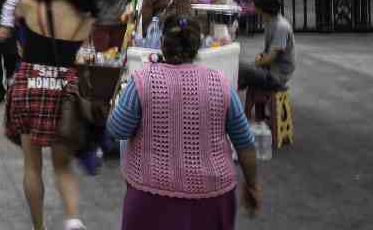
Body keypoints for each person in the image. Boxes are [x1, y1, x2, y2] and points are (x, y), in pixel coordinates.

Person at [108, 16, 260, 229]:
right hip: (212, 199)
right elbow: (245, 142)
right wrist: (252, 185)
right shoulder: (220, 83)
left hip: (150, 198)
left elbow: (118, 129)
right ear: (199, 46)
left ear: (161, 43)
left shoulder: (143, 80)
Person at [4, 0, 96, 230]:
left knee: (32, 166)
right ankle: (72, 219)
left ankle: (39, 227)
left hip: (30, 83)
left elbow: (14, 12)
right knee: (62, 166)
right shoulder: (86, 19)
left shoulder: (32, 5)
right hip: (64, 90)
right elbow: (85, 54)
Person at [237, 0, 295, 103]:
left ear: (263, 7)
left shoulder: (281, 27)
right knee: (240, 74)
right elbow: (267, 53)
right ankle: (237, 108)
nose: (253, 7)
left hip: (276, 76)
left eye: (255, 4)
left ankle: (234, 110)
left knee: (239, 68)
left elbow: (270, 58)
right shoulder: (270, 22)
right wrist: (260, 57)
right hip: (269, 70)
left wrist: (255, 64)